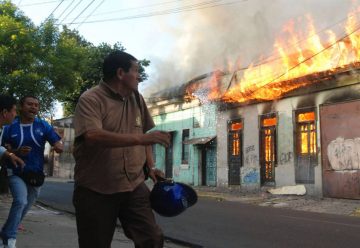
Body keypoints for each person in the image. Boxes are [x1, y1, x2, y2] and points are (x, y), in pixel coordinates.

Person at [72, 50, 170, 248]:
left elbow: (145, 136)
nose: (139, 76)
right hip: (96, 189)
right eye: (136, 71)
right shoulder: (91, 99)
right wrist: (141, 138)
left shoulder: (137, 98)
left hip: (133, 185)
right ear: (120, 73)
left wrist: (150, 167)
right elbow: (93, 136)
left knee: (152, 238)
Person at [0, 95, 63, 248]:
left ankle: (5, 233)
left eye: (36, 105)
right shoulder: (9, 127)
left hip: (36, 174)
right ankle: (9, 240)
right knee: (20, 200)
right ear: (21, 107)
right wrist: (16, 151)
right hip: (15, 172)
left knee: (25, 206)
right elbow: (2, 149)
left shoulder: (44, 126)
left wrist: (58, 146)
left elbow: (57, 142)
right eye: (30, 104)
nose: (33, 107)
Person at [0, 95, 25, 195]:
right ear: (5, 112)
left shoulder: (2, 129)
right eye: (14, 111)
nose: (15, 114)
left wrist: (10, 155)